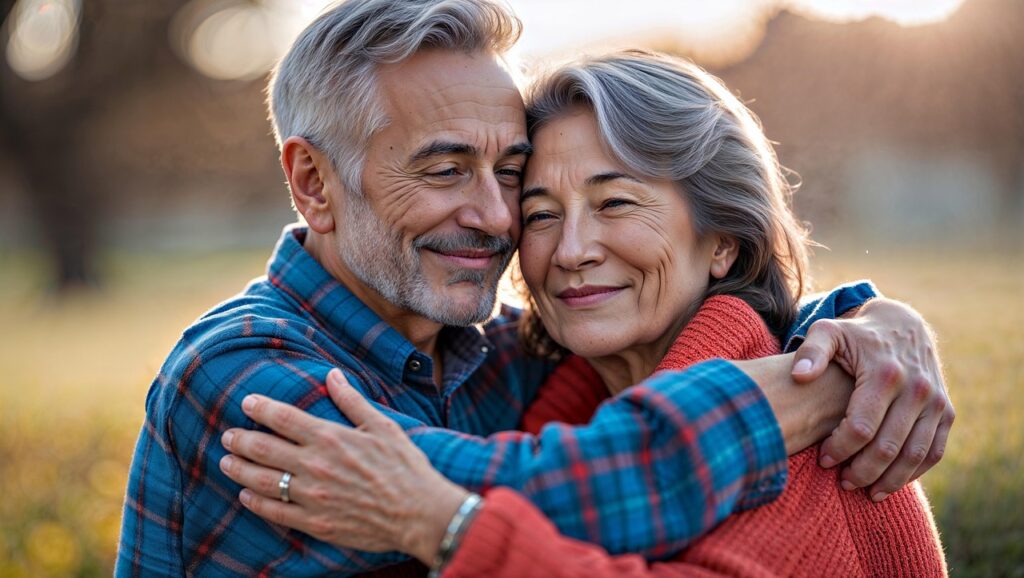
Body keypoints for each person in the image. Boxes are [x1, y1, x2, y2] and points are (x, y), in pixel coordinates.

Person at [117, 1, 952, 576]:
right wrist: (791, 398)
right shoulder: (242, 375)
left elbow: (674, 330)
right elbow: (568, 486)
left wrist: (866, 328)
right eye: (445, 169)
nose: (494, 217)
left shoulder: (491, 354)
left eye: (508, 174)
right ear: (313, 183)